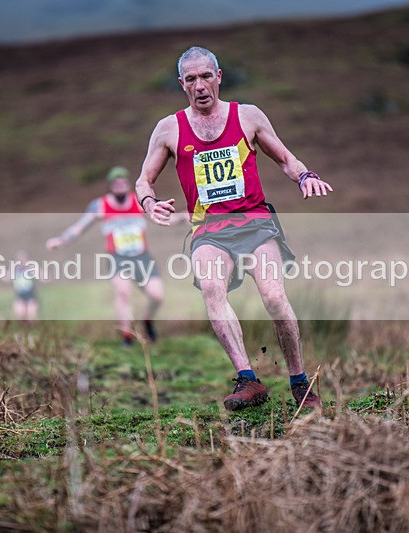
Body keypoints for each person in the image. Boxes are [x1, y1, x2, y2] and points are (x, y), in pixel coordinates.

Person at [135, 46, 333, 411]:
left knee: (274, 297)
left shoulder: (248, 116)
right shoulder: (168, 129)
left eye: (206, 76)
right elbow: (143, 181)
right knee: (212, 287)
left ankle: (300, 383)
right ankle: (248, 379)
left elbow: (287, 159)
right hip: (208, 228)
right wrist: (149, 203)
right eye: (191, 79)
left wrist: (305, 176)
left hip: (256, 221)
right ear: (182, 84)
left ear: (219, 77)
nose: (200, 85)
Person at [47, 166, 163, 346]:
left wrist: (186, 218)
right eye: (115, 183)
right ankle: (127, 336)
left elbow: (162, 215)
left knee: (156, 296)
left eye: (123, 182)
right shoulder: (100, 205)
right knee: (123, 293)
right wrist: (61, 240)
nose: (120, 186)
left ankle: (147, 321)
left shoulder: (138, 201)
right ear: (110, 186)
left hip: (142, 257)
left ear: (128, 184)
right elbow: (79, 227)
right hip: (118, 258)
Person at [11, 250, 39, 323]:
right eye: (19, 259)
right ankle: (22, 332)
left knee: (31, 315)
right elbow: (5, 277)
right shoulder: (14, 270)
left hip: (31, 296)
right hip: (20, 296)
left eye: (23, 258)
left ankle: (32, 331)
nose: (21, 261)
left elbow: (42, 276)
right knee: (20, 314)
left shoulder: (31, 269)